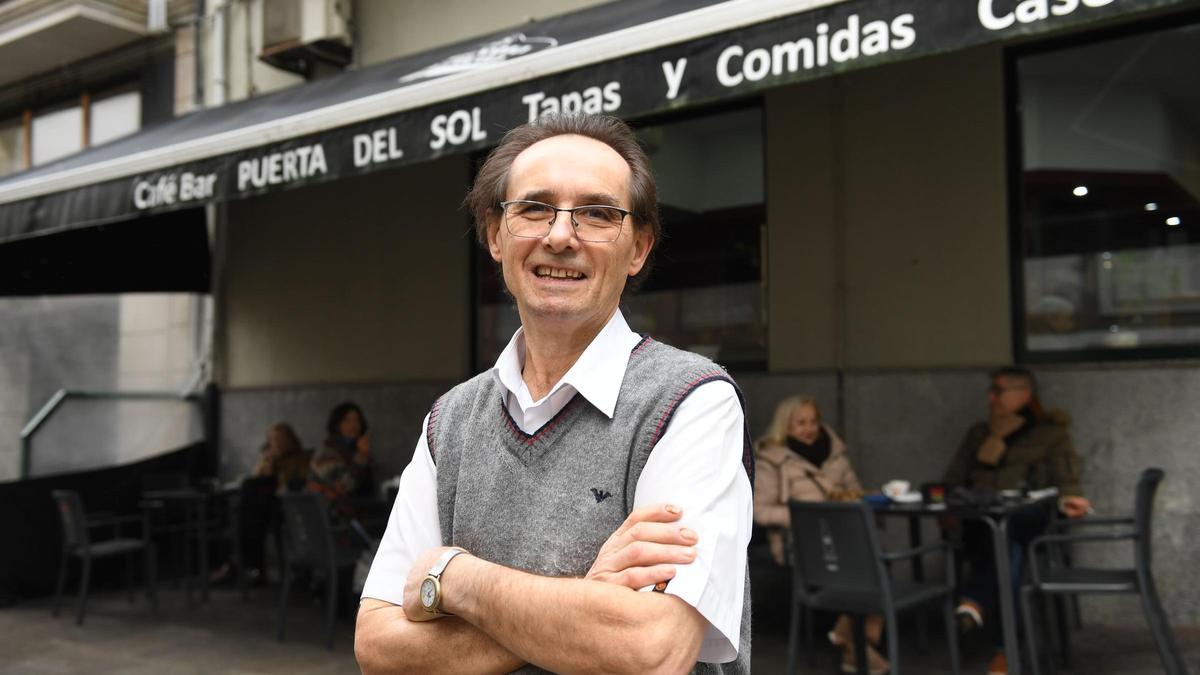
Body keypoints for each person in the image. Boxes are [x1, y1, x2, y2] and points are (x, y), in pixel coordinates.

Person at [355, 114, 754, 674]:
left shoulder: (692, 402)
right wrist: (584, 600)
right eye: (535, 208)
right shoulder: (450, 422)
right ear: (495, 235)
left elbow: (650, 650)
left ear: (638, 248)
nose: (560, 236)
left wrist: (454, 577)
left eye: (597, 213)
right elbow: (377, 649)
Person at [943, 366, 1091, 675]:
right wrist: (948, 505)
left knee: (1010, 539)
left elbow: (1068, 479)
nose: (991, 398)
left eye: (998, 391)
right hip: (979, 521)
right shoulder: (979, 433)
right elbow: (953, 479)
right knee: (1006, 546)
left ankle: (976, 603)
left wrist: (1071, 499)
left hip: (1028, 521)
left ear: (1024, 395)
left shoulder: (1050, 435)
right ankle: (1005, 651)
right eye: (991, 391)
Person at [754, 396, 887, 675]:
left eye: (813, 421)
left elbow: (855, 491)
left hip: (845, 537)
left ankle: (852, 640)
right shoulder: (772, 458)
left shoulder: (835, 453)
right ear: (785, 426)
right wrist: (807, 517)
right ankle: (857, 644)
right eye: (800, 423)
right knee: (866, 565)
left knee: (876, 561)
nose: (809, 428)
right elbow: (759, 510)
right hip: (799, 542)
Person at [308, 402, 373, 520]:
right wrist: (362, 456)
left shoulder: (354, 449)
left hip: (358, 513)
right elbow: (346, 487)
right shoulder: (327, 452)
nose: (353, 425)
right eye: (347, 421)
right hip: (334, 518)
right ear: (337, 424)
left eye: (357, 421)